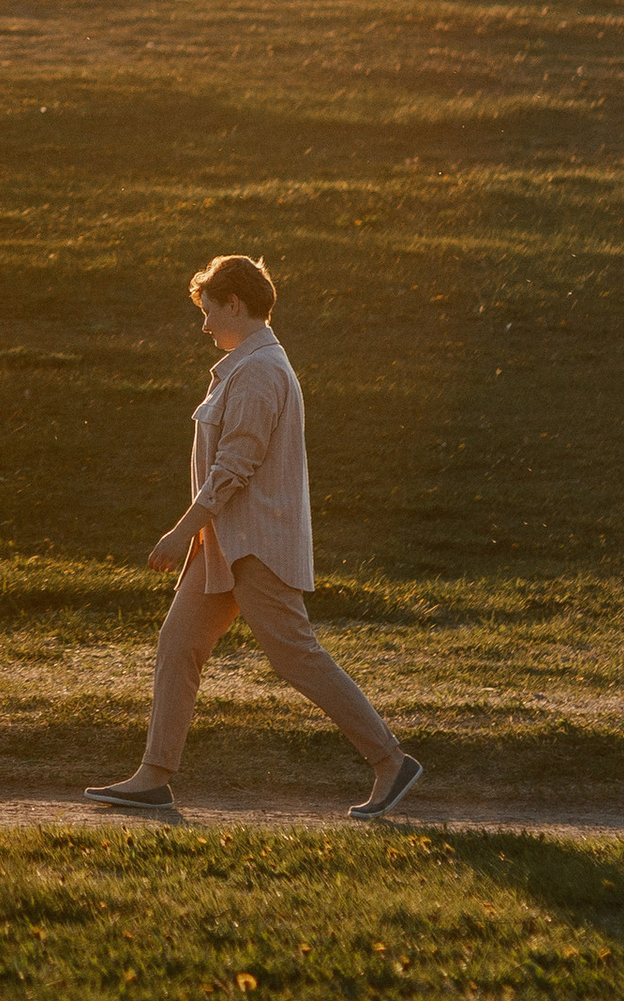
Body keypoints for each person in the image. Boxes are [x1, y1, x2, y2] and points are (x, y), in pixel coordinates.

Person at [85, 254, 419, 821]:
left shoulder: (260, 372)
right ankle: (153, 777)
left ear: (234, 305)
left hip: (256, 546)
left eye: (209, 311)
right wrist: (200, 538)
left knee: (296, 658)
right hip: (223, 548)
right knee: (179, 644)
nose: (205, 324)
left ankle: (390, 761)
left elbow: (234, 469)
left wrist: (178, 531)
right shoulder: (244, 368)